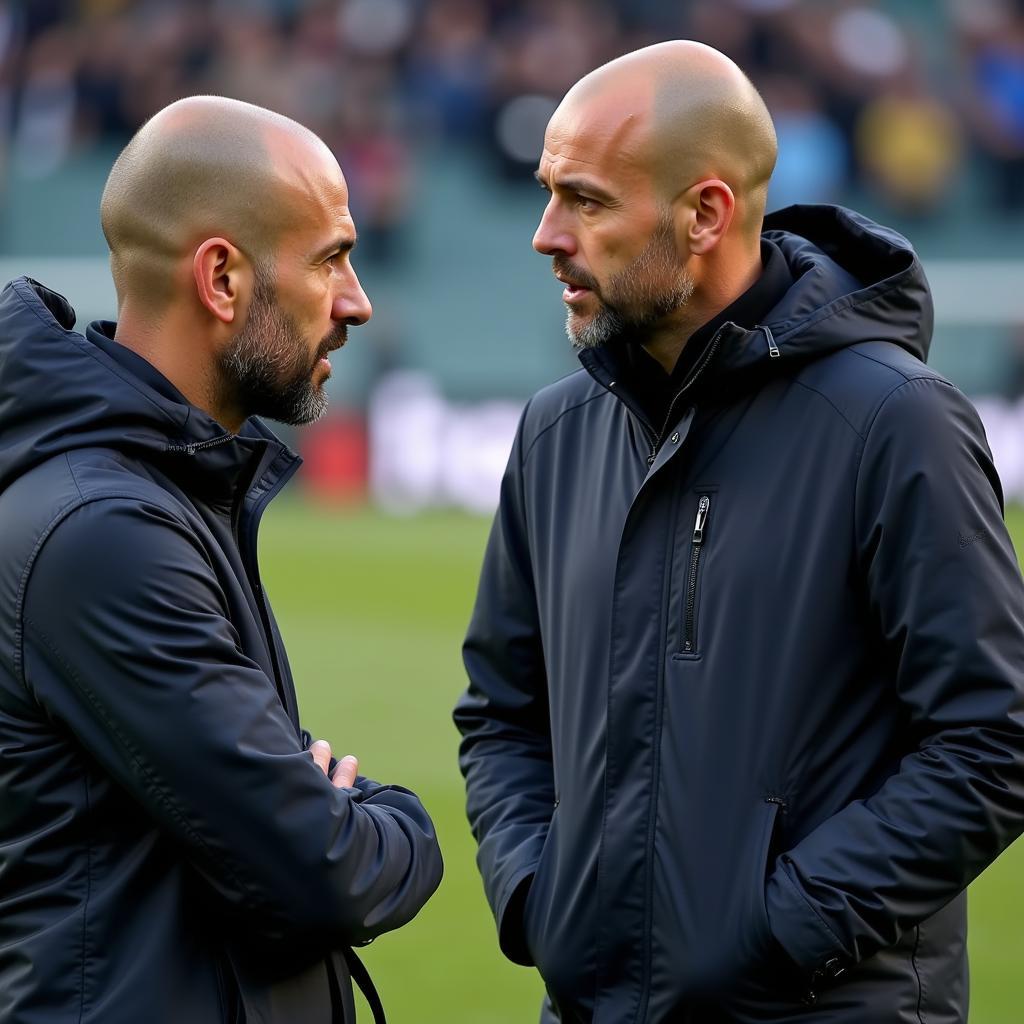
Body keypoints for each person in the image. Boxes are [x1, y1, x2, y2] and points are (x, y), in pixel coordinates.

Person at [454, 40, 1024, 1023]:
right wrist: (540, 898)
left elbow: (992, 736)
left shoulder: (895, 421)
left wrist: (778, 933)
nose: (547, 234)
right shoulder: (556, 430)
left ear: (706, 213)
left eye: (585, 200)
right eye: (550, 194)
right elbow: (501, 710)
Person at [0, 96, 442, 1024]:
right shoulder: (104, 533)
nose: (357, 300)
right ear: (222, 278)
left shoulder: (157, 493)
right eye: (331, 259)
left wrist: (314, 812)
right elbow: (322, 872)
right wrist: (402, 822)